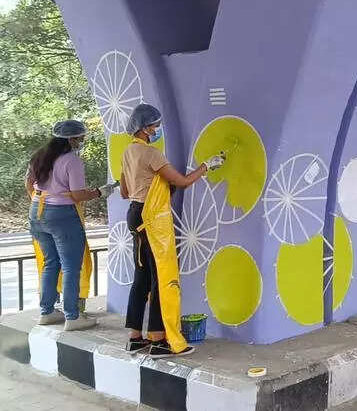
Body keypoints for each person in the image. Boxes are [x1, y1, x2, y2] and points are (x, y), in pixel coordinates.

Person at [120, 104, 225, 358]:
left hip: (135, 215)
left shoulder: (128, 152)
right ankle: (159, 340)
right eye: (154, 126)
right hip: (153, 220)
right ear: (145, 129)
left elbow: (124, 192)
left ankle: (135, 338)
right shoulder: (151, 154)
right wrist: (207, 166)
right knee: (162, 279)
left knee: (142, 277)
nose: (157, 130)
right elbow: (184, 182)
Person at [27, 120, 116, 330]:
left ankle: (47, 312)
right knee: (70, 267)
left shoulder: (39, 156)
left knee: (50, 263)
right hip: (62, 215)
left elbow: (29, 184)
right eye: (81, 138)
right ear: (72, 139)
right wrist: (100, 192)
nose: (82, 141)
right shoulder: (71, 160)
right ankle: (72, 316)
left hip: (36, 210)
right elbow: (77, 195)